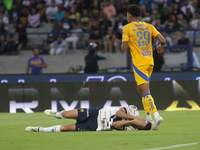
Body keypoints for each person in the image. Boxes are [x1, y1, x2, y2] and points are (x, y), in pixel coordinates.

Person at [121, 4, 166, 130]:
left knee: (145, 92)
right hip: (150, 62)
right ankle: (148, 116)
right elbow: (163, 40)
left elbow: (124, 49)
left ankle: (156, 116)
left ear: (129, 16)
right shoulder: (149, 26)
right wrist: (160, 46)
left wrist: (125, 42)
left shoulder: (127, 28)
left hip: (139, 64)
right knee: (141, 90)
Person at [25, 104, 152, 132]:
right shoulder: (133, 109)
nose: (139, 123)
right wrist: (133, 117)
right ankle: (58, 114)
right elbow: (119, 113)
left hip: (94, 126)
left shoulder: (131, 129)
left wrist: (131, 122)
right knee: (65, 115)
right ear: (144, 119)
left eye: (140, 126)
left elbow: (114, 125)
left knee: (65, 128)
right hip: (94, 113)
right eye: (142, 122)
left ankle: (39, 129)